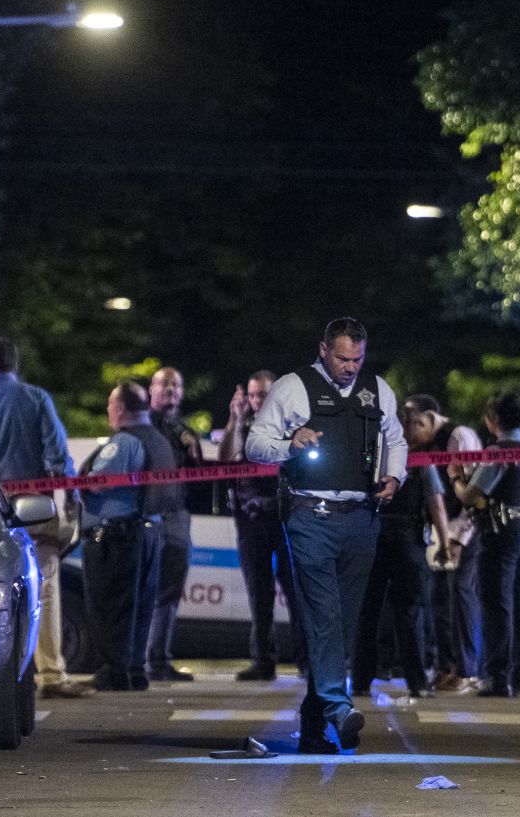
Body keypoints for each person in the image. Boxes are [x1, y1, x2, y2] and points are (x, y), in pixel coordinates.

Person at [245, 318, 407, 754]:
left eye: (357, 358)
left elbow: (396, 439)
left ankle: (314, 729)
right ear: (322, 350)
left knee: (342, 625)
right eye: (342, 358)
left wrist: (394, 475)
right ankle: (338, 707)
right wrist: (289, 444)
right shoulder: (291, 388)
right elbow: (254, 445)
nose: (351, 366)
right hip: (309, 515)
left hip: (361, 519)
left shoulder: (379, 389)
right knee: (324, 616)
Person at [0, 338, 93, 700]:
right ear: (15, 365)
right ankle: (49, 673)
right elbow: (58, 454)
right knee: (43, 587)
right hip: (34, 511)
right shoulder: (36, 399)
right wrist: (72, 498)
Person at [79, 380, 181, 691]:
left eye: (111, 405)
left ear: (120, 409)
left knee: (112, 606)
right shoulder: (159, 440)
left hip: (118, 537)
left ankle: (115, 671)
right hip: (148, 533)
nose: (109, 411)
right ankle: (134, 670)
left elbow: (98, 481)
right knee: (139, 607)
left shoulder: (123, 443)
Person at [353, 403, 450, 699]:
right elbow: (436, 504)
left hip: (373, 537)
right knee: (409, 613)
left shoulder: (372, 456)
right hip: (408, 539)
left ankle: (359, 681)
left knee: (368, 611)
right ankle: (417, 683)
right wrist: (445, 542)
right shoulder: (420, 460)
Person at [451, 391, 520, 698]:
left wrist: (455, 478)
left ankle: (497, 678)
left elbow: (471, 496)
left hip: (502, 530)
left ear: (494, 421)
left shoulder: (497, 452)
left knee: (496, 604)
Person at [221, 369, 303, 681]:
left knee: (296, 592)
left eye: (263, 394)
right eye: (253, 395)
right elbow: (227, 459)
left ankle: (306, 661)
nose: (257, 401)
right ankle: (263, 661)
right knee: (259, 593)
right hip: (250, 520)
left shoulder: (290, 424)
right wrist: (235, 420)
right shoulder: (245, 425)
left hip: (285, 519)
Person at [404, 395, 484, 693]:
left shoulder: (458, 437)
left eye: (415, 424)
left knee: (461, 597)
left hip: (463, 529)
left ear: (429, 418)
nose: (410, 431)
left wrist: (460, 538)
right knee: (437, 600)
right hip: (439, 530)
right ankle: (445, 666)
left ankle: (467, 671)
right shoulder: (422, 445)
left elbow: (474, 493)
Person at [145, 367, 203, 682]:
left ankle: (157, 660)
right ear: (151, 389)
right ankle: (137, 661)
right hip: (149, 517)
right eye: (164, 383)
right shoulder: (141, 427)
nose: (170, 389)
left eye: (176, 385)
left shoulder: (184, 431)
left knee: (169, 592)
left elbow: (199, 476)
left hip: (178, 516)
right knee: (145, 590)